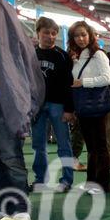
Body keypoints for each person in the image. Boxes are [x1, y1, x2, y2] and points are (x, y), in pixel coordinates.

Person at [0, 0, 45, 220]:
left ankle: (20, 207)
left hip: (1, 99)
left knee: (10, 156)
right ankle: (1, 204)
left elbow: (15, 56)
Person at [68, 21, 110, 194]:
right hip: (83, 108)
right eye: (76, 35)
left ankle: (103, 185)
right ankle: (92, 183)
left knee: (100, 147)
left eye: (83, 34)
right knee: (92, 147)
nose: (80, 38)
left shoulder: (98, 55)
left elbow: (107, 78)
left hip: (97, 106)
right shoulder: (76, 56)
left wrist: (83, 82)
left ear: (90, 35)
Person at [32, 16, 75, 193]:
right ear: (38, 33)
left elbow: (69, 84)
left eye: (53, 33)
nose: (50, 36)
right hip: (37, 106)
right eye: (46, 33)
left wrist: (69, 109)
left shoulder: (62, 56)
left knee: (64, 144)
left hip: (58, 105)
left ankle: (67, 180)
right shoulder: (31, 54)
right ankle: (40, 179)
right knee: (38, 145)